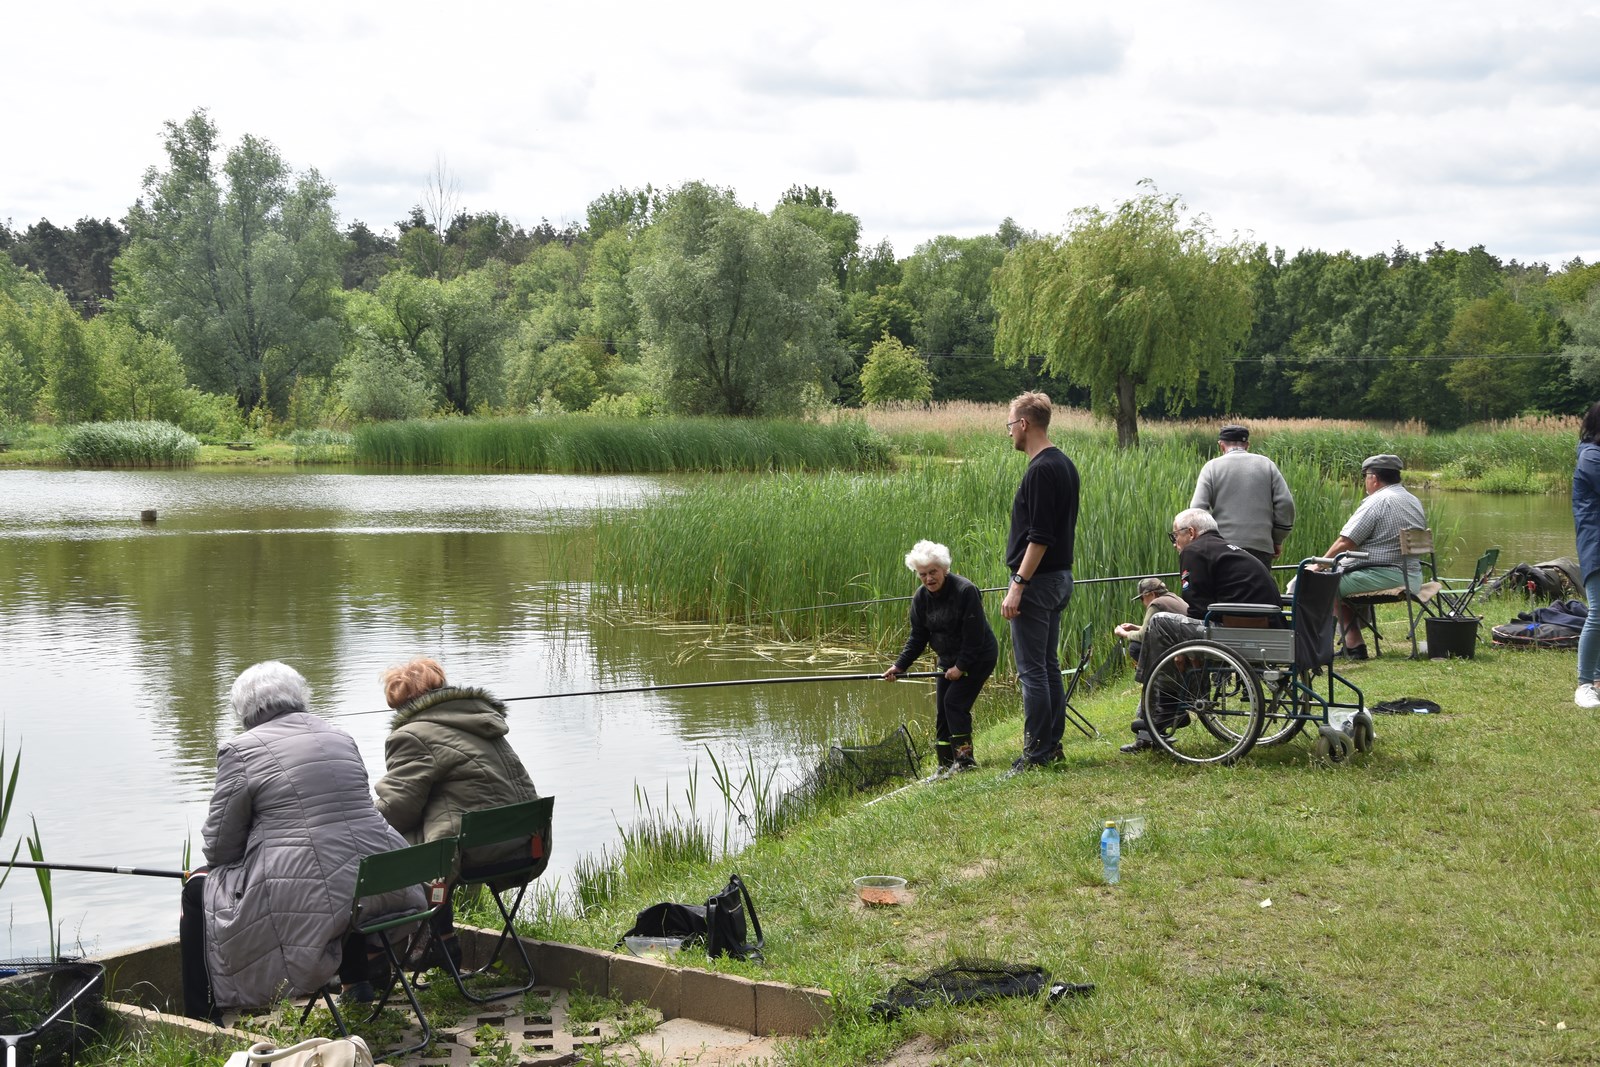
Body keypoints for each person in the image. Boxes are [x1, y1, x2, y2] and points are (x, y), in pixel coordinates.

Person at [181, 661, 420, 1021]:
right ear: (299, 697)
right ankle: (356, 982)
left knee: (196, 887)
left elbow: (220, 847)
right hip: (388, 878)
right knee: (342, 869)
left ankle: (201, 1015)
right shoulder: (339, 736)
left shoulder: (240, 750)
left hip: (320, 895)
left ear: (243, 709)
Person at [374, 657, 539, 968]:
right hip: (524, 843)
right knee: (432, 832)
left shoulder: (410, 736)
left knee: (385, 843)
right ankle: (442, 939)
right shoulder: (481, 721)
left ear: (405, 705)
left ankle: (394, 951)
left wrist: (357, 820)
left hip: (476, 853)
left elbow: (397, 809)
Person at [1122, 509, 1279, 753]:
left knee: (1160, 622)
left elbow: (1195, 609)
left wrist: (1182, 647)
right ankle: (1167, 708)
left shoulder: (1194, 551)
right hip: (1266, 630)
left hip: (1233, 633)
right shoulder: (1231, 550)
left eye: (1175, 537)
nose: (1176, 545)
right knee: (1172, 632)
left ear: (1191, 533)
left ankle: (1164, 707)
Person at [999, 391, 1080, 774]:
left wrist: (1018, 583)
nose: (1009, 432)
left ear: (1024, 424)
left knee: (1033, 671)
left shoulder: (1041, 469)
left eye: (1010, 424)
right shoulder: (1063, 464)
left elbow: (1041, 536)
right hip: (1058, 579)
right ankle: (1050, 746)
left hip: (1039, 582)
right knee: (1047, 667)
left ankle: (1035, 754)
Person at [883, 540, 999, 774]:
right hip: (947, 659)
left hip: (978, 656)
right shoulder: (920, 598)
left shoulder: (965, 591)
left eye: (933, 572)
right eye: (922, 574)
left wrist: (961, 666)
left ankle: (965, 761)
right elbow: (918, 637)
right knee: (942, 711)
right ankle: (944, 764)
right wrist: (899, 666)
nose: (928, 579)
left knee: (954, 704)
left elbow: (974, 637)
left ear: (944, 569)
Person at [1320, 454, 1428, 660]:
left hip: (1389, 576)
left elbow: (1346, 541)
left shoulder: (1378, 500)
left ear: (1374, 478)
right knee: (1342, 578)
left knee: (1319, 584)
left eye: (1365, 477)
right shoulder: (1411, 499)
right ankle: (1354, 644)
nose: (1365, 482)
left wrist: (1320, 565)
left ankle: (1341, 646)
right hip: (1411, 575)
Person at [1189, 424, 1296, 570]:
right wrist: (1277, 539)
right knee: (1257, 591)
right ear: (1247, 445)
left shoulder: (1211, 467)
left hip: (1221, 547)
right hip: (1260, 547)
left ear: (1221, 445)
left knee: (1224, 591)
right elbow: (1285, 503)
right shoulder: (1266, 465)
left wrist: (1206, 542)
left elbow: (1197, 510)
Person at [1573, 402, 1600, 707]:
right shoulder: (1591, 456)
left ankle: (1598, 680)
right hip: (1596, 543)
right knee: (1598, 612)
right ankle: (1584, 685)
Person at [1113, 577, 1189, 671]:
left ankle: (1160, 677)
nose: (1142, 602)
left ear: (1152, 594)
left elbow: (1143, 636)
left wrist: (1124, 633)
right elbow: (1163, 628)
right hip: (1186, 643)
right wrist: (1135, 627)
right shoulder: (1173, 598)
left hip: (1179, 650)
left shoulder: (1156, 604)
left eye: (1142, 598)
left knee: (1135, 647)